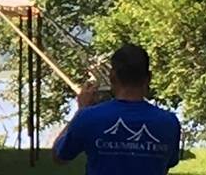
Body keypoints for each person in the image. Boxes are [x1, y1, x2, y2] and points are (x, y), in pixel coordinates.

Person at [53, 44, 181, 174]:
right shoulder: (169, 123)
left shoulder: (88, 117)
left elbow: (60, 156)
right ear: (148, 77)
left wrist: (80, 110)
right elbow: (168, 163)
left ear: (112, 76)